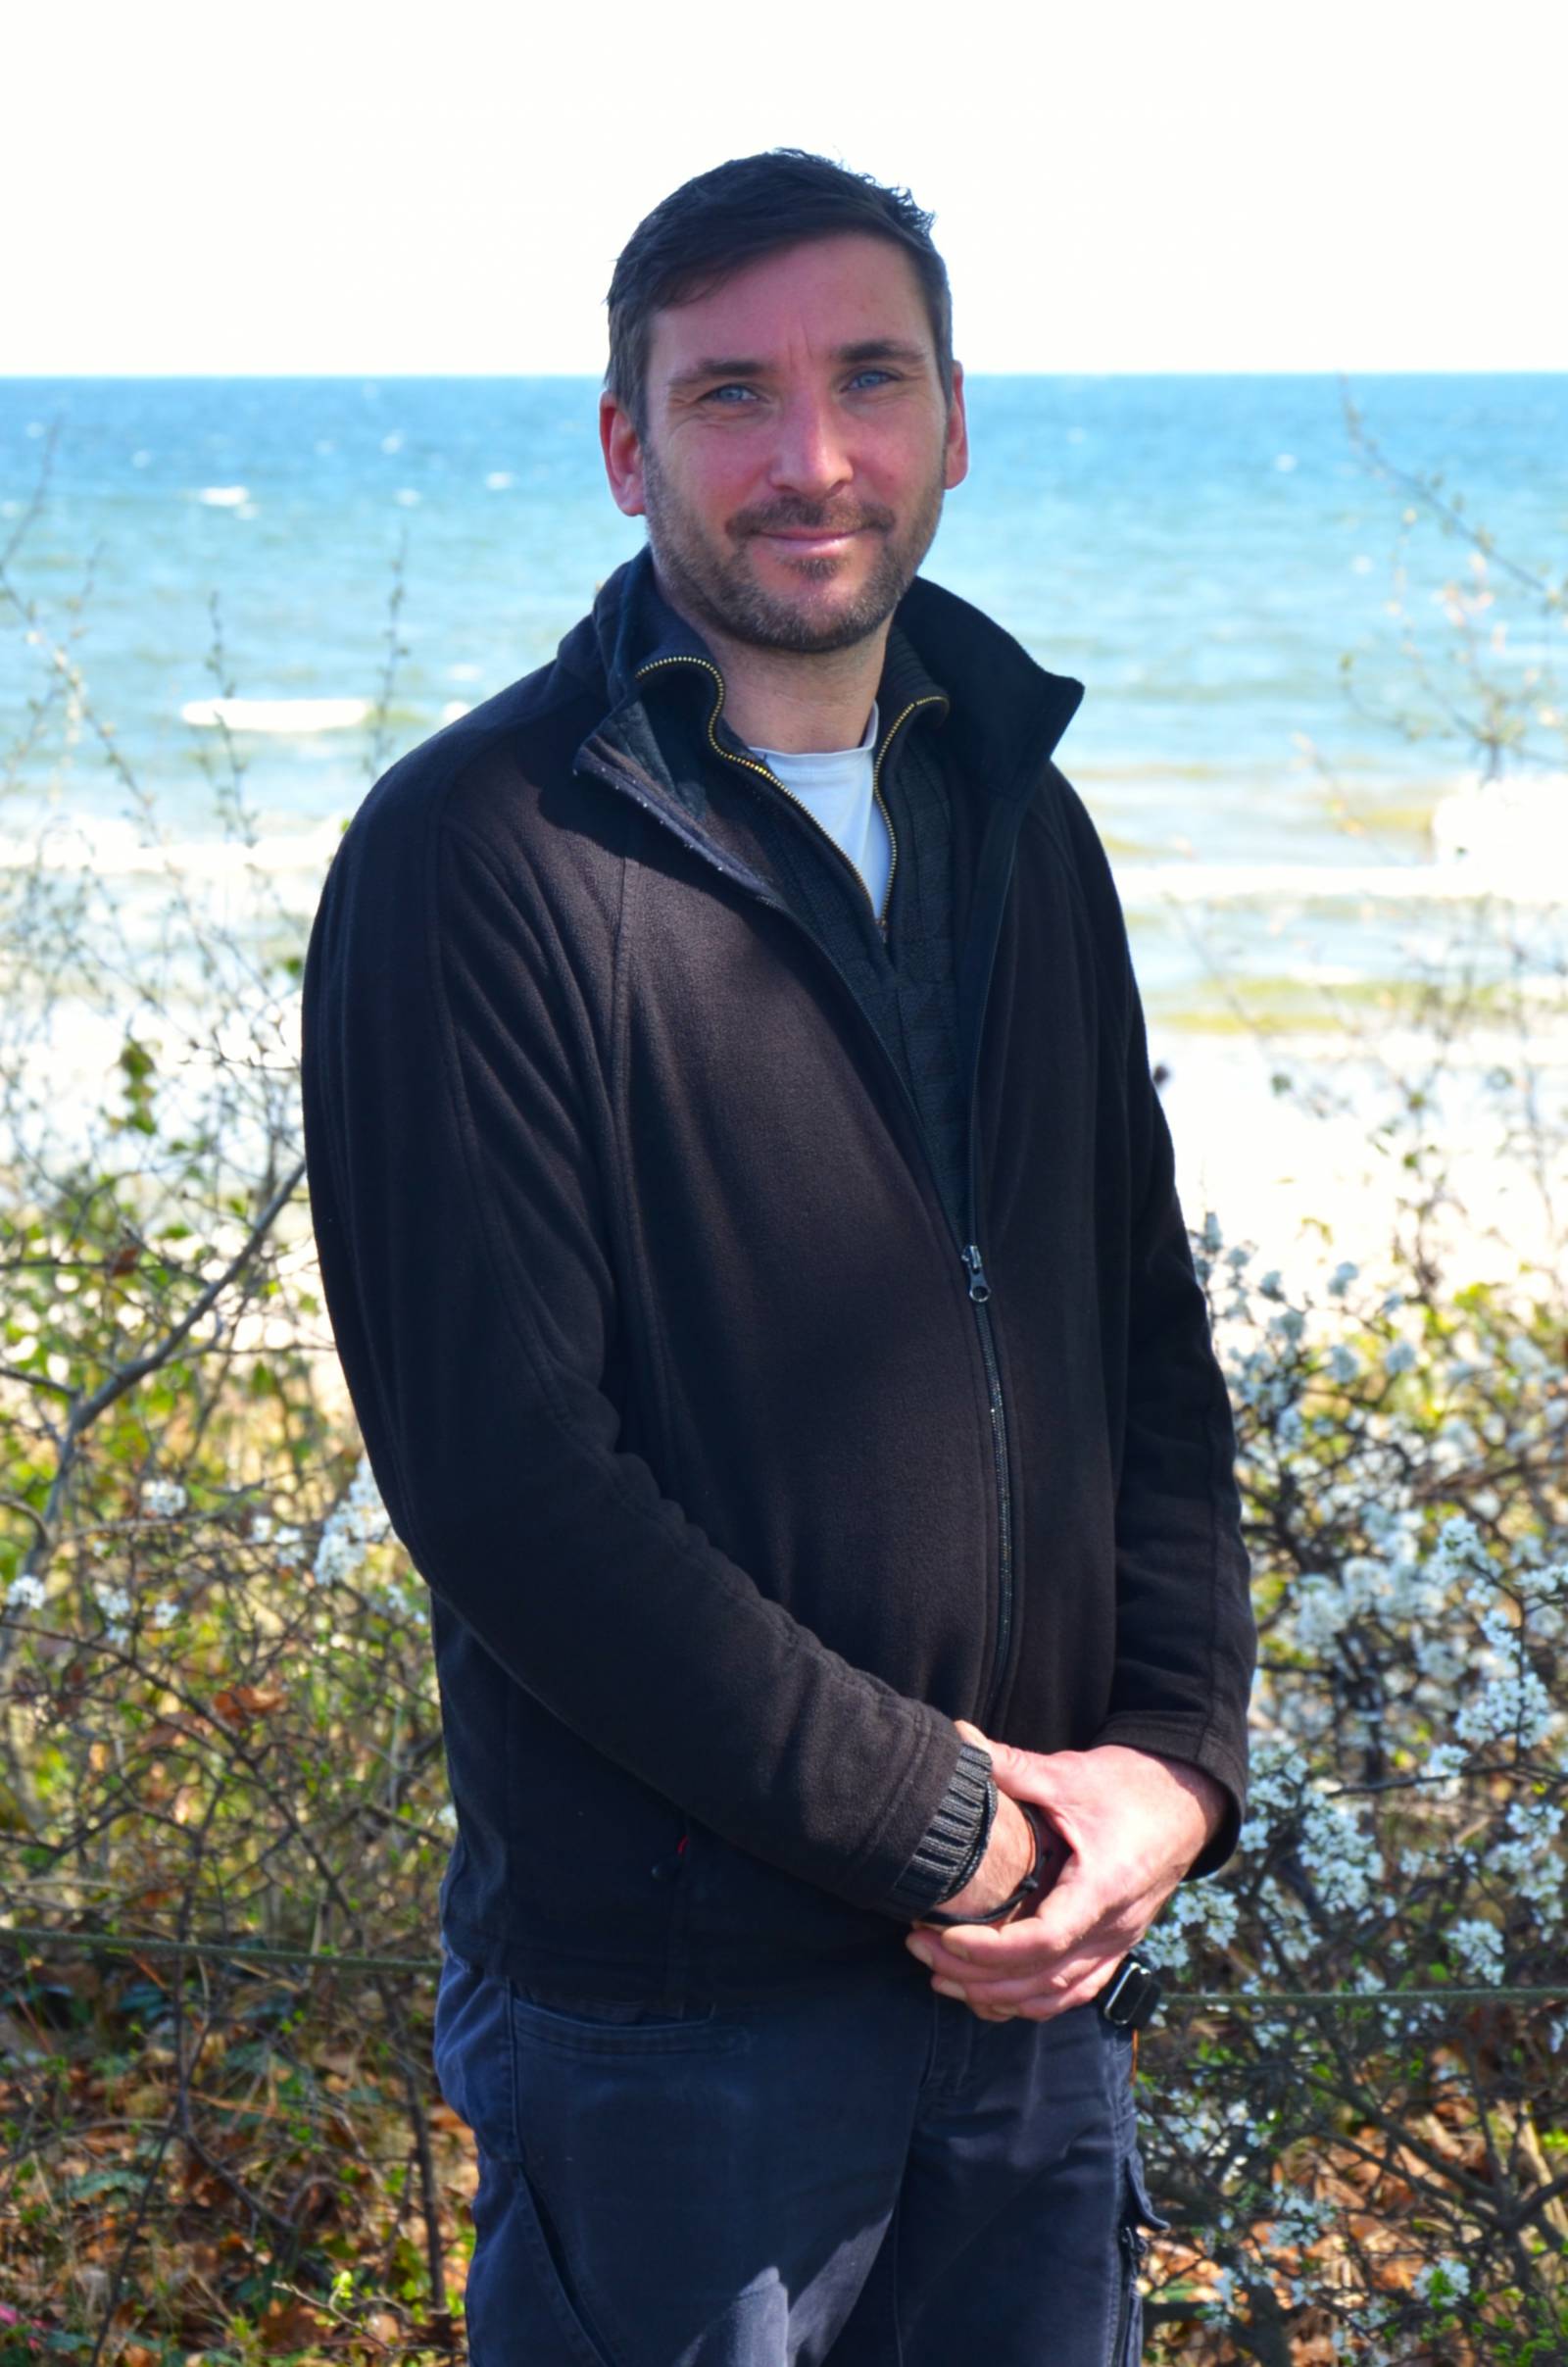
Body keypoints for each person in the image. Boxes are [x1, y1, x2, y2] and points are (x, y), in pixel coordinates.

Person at [300, 149, 1256, 2366]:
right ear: (625, 445)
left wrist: (1169, 1769)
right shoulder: (479, 852)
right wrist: (950, 1827)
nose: (811, 456)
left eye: (869, 380)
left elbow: (1140, 1339)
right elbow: (506, 1483)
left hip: (1037, 1992)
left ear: (953, 421)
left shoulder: (1016, 815)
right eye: (731, 393)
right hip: (673, 2033)